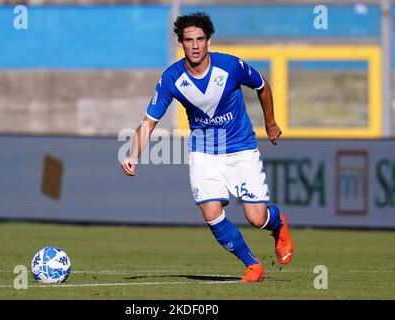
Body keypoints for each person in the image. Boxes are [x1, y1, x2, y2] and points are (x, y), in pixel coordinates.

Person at [121, 12, 293, 282]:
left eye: (200, 39)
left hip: (241, 148)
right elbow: (150, 121)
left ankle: (278, 223)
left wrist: (270, 123)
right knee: (211, 213)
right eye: (189, 40)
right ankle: (252, 265)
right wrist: (132, 154)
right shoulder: (171, 78)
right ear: (181, 43)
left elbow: (262, 85)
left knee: (256, 218)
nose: (195, 45)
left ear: (208, 40)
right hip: (204, 151)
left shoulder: (230, 67)